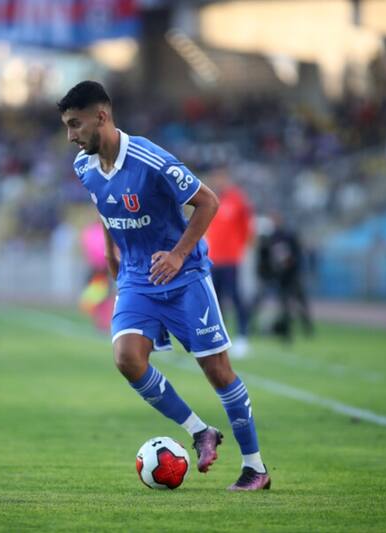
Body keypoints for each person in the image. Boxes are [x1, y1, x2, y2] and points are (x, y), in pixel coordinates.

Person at [58, 81, 270, 491]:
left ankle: (255, 467)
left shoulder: (150, 159)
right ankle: (199, 431)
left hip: (184, 275)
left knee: (218, 371)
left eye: (75, 124)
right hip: (138, 276)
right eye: (67, 126)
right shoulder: (84, 167)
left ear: (101, 116)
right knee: (127, 358)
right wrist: (110, 252)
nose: (70, 136)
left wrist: (176, 254)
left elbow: (208, 201)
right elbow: (104, 206)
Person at [205, 168, 254, 358]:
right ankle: (219, 338)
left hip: (231, 259)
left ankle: (242, 337)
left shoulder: (237, 199)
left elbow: (248, 229)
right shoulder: (210, 199)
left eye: (221, 177)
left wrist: (240, 251)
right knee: (214, 300)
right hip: (212, 259)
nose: (218, 181)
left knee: (235, 297)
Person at [256, 212, 313, 341]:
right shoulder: (271, 238)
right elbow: (267, 258)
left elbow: (297, 254)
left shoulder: (289, 235)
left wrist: (294, 267)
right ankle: (288, 331)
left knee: (300, 302)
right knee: (285, 304)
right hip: (282, 277)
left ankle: (308, 328)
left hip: (293, 275)